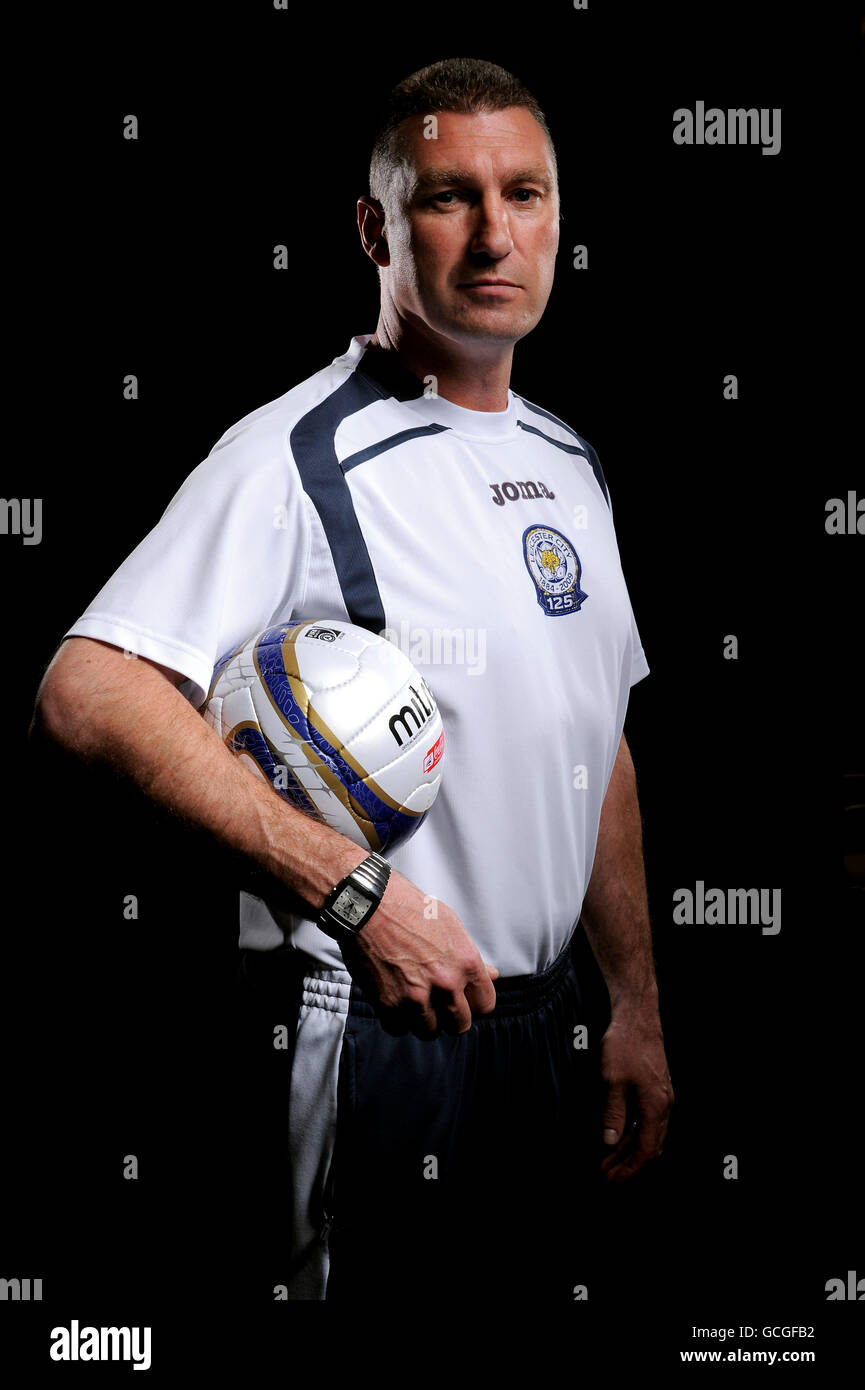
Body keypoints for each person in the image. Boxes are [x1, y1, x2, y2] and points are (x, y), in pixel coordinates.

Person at [32, 56, 673, 1302]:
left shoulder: (570, 461)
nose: (495, 233)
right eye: (449, 197)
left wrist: (636, 999)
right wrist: (349, 893)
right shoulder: (295, 452)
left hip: (547, 1030)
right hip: (378, 1029)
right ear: (376, 229)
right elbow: (86, 686)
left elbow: (598, 742)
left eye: (525, 194)